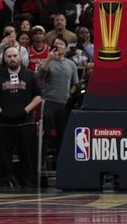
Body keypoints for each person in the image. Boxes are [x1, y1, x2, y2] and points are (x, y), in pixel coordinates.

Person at [0, 45, 43, 187]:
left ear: (20, 57)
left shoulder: (31, 75)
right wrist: (0, 112)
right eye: (9, 56)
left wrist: (26, 110)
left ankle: (28, 184)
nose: (12, 59)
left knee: (27, 157)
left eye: (14, 56)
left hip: (25, 123)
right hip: (4, 124)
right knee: (5, 158)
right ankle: (5, 183)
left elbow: (38, 96)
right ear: (4, 59)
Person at [37, 36, 79, 169]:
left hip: (65, 103)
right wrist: (49, 59)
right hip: (49, 102)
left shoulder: (71, 64)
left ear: (65, 47)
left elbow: (75, 85)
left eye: (61, 44)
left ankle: (63, 162)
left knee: (63, 133)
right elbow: (39, 77)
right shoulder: (45, 61)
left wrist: (72, 98)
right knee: (46, 134)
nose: (58, 46)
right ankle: (41, 162)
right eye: (55, 44)